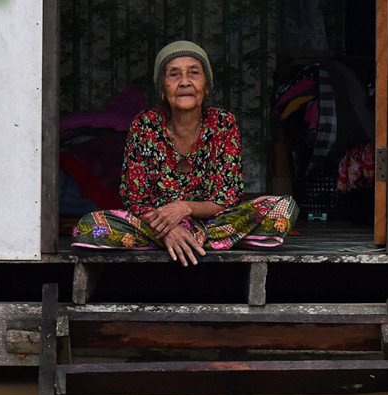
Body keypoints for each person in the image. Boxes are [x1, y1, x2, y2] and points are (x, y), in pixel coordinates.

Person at [71, 40, 298, 266]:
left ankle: (184, 240)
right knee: (89, 225)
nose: (185, 82)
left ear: (206, 86)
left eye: (194, 73)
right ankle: (193, 241)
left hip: (212, 221)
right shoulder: (145, 124)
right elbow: (135, 198)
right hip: (156, 224)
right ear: (162, 88)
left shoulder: (223, 123)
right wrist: (169, 228)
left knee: (282, 209)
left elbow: (226, 197)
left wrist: (186, 208)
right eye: (174, 75)